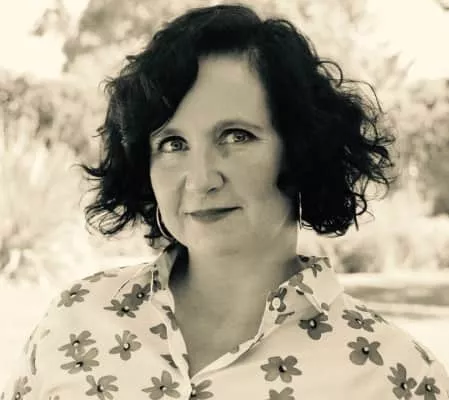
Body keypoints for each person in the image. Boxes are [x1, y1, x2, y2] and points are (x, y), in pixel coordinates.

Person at [2, 3, 449, 400]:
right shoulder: (75, 320)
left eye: (236, 136)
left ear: (302, 149)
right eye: (173, 144)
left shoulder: (396, 377)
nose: (201, 179)